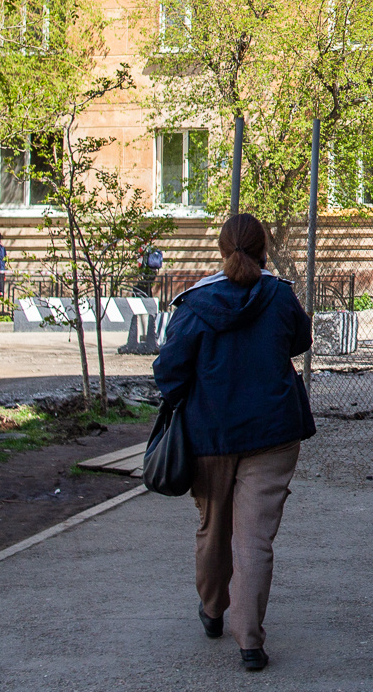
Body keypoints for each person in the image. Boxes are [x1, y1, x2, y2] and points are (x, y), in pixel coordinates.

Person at [152, 213, 315, 672]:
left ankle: (211, 611)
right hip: (273, 434)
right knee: (254, 539)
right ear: (263, 247)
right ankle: (249, 641)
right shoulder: (279, 295)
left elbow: (168, 372)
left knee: (212, 526)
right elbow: (299, 342)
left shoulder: (195, 303)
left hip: (208, 436)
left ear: (222, 249)